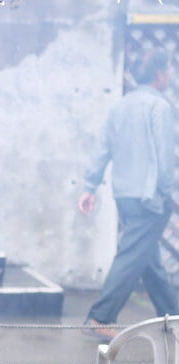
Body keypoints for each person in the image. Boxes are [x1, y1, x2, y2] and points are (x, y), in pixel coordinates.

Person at [78, 48, 179, 343]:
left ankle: (173, 318)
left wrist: (89, 186)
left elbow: (103, 148)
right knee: (132, 254)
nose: (170, 76)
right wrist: (167, 192)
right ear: (160, 75)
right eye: (169, 70)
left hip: (125, 196)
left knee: (146, 257)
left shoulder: (121, 106)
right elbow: (164, 158)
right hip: (151, 197)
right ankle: (100, 317)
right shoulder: (158, 107)